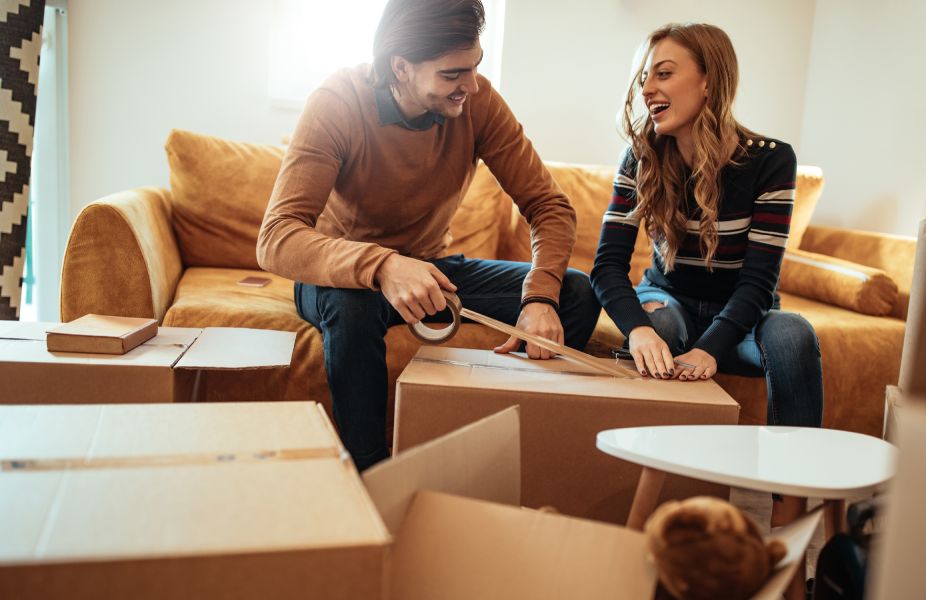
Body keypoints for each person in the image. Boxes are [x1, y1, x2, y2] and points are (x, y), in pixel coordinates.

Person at [257, 0, 600, 471]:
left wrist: (540, 296)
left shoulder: (479, 102)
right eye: (453, 73)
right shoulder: (337, 102)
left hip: (432, 269)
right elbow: (276, 237)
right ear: (401, 67)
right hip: (345, 280)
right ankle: (372, 475)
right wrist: (382, 265)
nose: (472, 84)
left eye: (475, 67)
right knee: (351, 305)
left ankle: (512, 449)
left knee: (576, 293)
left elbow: (550, 207)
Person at [591, 23, 823, 524]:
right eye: (644, 78)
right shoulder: (640, 156)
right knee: (661, 329)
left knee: (793, 335)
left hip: (742, 318)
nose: (648, 87)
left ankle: (792, 515)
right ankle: (649, 497)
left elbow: (759, 283)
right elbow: (606, 266)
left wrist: (710, 348)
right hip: (668, 299)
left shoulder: (771, 161)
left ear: (709, 81)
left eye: (665, 73)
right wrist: (636, 330)